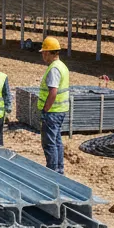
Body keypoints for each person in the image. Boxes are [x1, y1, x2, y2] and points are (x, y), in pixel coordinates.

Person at [37, 37, 71, 173]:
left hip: (52, 112)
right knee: (56, 141)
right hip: (60, 110)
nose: (43, 55)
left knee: (49, 143)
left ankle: (52, 171)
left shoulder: (54, 69)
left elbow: (53, 92)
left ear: (50, 52)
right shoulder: (62, 66)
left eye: (44, 52)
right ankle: (59, 170)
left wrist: (45, 110)